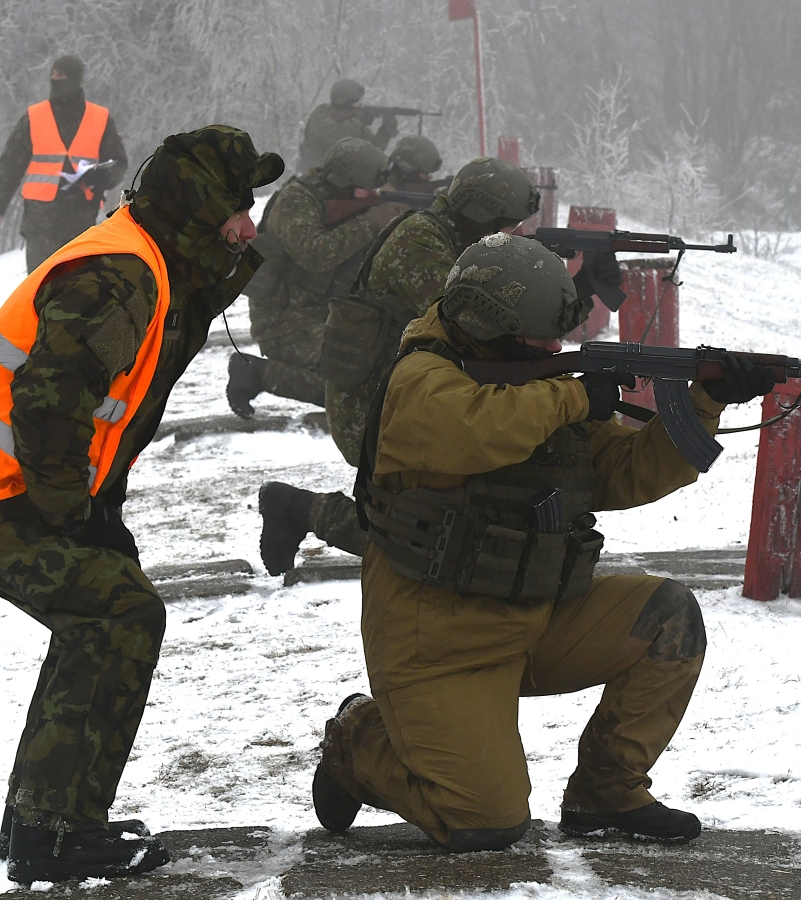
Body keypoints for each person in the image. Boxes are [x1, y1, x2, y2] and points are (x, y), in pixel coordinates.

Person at [308, 233, 776, 852]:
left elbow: (622, 471)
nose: (555, 352)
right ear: (488, 325)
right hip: (440, 644)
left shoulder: (537, 390)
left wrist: (705, 401)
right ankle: (357, 740)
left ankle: (607, 793)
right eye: (541, 342)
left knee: (668, 617)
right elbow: (472, 431)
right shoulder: (421, 381)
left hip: (537, 613)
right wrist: (577, 394)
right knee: (484, 822)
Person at [0, 126, 283, 883]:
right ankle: (53, 834)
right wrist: (70, 514)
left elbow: (140, 368)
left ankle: (45, 822)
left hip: (9, 480)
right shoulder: (117, 274)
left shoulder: (157, 255)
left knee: (110, 613)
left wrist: (95, 509)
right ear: (194, 208)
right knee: (116, 613)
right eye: (237, 208)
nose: (249, 222)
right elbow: (49, 403)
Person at [256, 158, 619, 577]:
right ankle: (298, 509)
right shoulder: (421, 242)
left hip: (406, 395)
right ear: (481, 214)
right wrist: (569, 288)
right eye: (507, 227)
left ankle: (297, 508)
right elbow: (489, 328)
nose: (515, 236)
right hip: (375, 408)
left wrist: (576, 288)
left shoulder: (446, 237)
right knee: (437, 540)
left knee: (461, 520)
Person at [227, 137, 408, 418]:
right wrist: (370, 222)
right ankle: (257, 374)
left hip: (325, 314)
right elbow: (314, 255)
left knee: (385, 367)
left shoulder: (341, 199)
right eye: (365, 190)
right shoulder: (296, 201)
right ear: (342, 182)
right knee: (355, 390)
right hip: (285, 323)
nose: (372, 195)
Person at [0, 55, 129, 272]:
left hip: (80, 218)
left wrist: (102, 178)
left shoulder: (100, 118)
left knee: (77, 289)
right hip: (40, 221)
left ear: (75, 79)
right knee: (41, 289)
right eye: (52, 74)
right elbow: (11, 164)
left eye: (61, 75)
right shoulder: (34, 117)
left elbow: (119, 163)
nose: (55, 79)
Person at [295, 78, 398, 171]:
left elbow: (372, 151)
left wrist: (385, 131)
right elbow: (336, 137)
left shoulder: (355, 123)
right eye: (357, 103)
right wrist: (360, 119)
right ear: (345, 103)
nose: (360, 106)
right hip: (314, 177)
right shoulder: (320, 115)